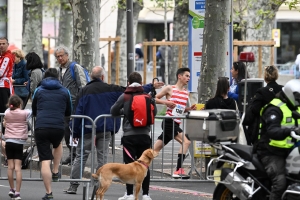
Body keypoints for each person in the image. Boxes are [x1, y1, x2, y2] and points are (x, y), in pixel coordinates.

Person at [64, 67, 163, 194]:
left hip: (88, 128)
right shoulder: (111, 89)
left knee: (81, 156)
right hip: (105, 128)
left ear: (91, 77)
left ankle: (73, 186)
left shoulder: (84, 91)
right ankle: (98, 186)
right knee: (102, 157)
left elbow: (78, 111)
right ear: (103, 77)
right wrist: (151, 86)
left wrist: (76, 132)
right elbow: (132, 90)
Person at [111, 71, 156, 200]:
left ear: (128, 83)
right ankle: (146, 194)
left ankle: (129, 194)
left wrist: (123, 111)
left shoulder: (124, 96)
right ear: (141, 83)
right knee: (145, 166)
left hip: (129, 136)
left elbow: (113, 111)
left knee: (129, 165)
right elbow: (154, 112)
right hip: (144, 135)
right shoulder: (147, 96)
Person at [256, 79, 300, 200]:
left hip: (289, 151)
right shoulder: (274, 109)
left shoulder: (295, 107)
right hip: (270, 151)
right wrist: (290, 130)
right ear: (291, 94)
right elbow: (272, 131)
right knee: (280, 183)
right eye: (298, 97)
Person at [32, 68, 72, 200]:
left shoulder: (39, 90)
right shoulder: (65, 91)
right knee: (58, 144)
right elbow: (68, 110)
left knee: (44, 160)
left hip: (41, 126)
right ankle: (55, 170)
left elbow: (34, 108)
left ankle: (49, 193)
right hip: (58, 126)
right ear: (58, 77)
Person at [154, 68, 196, 178]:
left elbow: (179, 109)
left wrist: (188, 109)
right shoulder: (169, 88)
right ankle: (178, 170)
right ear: (179, 76)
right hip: (169, 121)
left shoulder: (186, 93)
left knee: (155, 150)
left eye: (189, 76)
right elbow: (154, 99)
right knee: (186, 142)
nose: (188, 78)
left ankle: (139, 165)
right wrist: (166, 102)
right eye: (186, 76)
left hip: (176, 123)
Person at [55, 45, 88, 165]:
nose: (60, 58)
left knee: (74, 131)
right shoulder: (58, 70)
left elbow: (83, 86)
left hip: (75, 104)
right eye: (57, 56)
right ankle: (72, 153)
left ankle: (76, 155)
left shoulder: (75, 67)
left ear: (67, 55)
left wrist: (81, 103)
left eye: (61, 56)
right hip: (64, 105)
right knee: (66, 131)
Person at [244, 65, 283, 145]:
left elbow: (254, 109)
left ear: (265, 76)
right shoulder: (282, 90)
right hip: (280, 126)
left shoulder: (261, 91)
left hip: (264, 129)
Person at [3, 95, 31, 200]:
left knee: (10, 167)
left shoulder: (6, 112)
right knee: (18, 168)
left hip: (9, 141)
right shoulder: (24, 113)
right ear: (20, 104)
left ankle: (11, 188)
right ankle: (18, 193)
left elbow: (5, 123)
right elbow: (31, 111)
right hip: (19, 142)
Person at [0, 37, 14, 131]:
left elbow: (1, 73)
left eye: (3, 44)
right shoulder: (2, 57)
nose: (1, 46)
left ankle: (5, 133)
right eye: (0, 44)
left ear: (7, 44)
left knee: (3, 111)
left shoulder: (7, 57)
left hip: (3, 87)